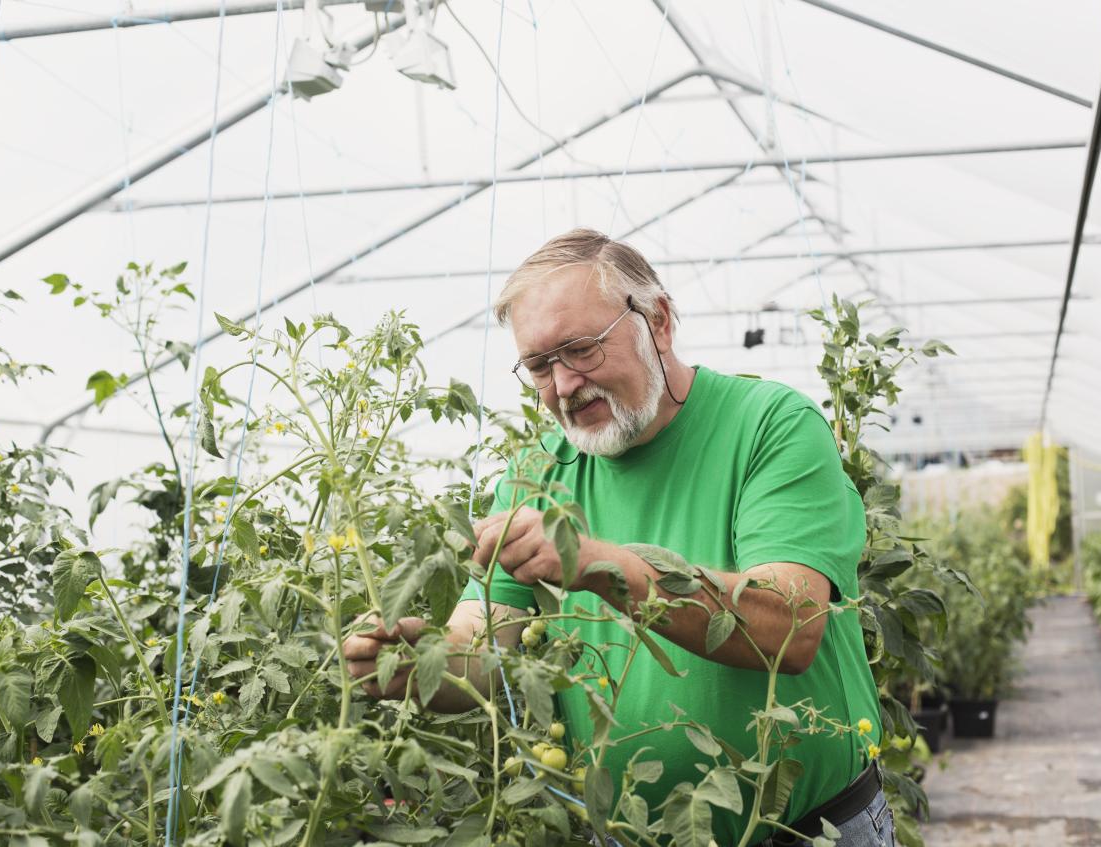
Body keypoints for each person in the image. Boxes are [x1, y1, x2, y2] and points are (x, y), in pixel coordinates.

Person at [342, 229, 894, 846]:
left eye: (579, 350)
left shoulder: (769, 426)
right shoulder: (537, 474)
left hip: (800, 832)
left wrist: (600, 566)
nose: (564, 386)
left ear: (656, 321)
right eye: (539, 366)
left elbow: (788, 624)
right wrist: (425, 663)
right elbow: (485, 643)